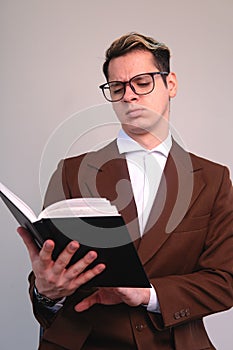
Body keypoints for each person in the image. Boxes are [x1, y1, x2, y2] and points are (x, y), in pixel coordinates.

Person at [17, 32, 233, 350]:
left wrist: (148, 295)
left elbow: (225, 280)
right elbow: (48, 273)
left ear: (170, 84)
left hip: (175, 342)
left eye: (142, 82)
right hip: (83, 341)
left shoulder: (213, 179)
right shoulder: (71, 172)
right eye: (117, 88)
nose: (129, 96)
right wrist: (45, 292)